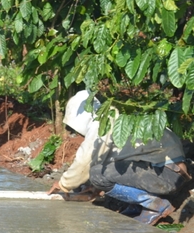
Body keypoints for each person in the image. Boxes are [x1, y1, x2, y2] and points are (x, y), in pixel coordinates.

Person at [48, 90, 190, 225]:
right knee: (102, 173)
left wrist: (63, 184)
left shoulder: (101, 123)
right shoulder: (119, 117)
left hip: (166, 175)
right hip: (170, 173)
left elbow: (85, 160)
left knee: (97, 174)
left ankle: (157, 205)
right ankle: (137, 206)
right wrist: (95, 188)